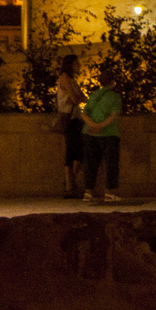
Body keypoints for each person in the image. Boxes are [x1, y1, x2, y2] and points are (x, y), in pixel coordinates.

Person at [82, 70, 122, 202]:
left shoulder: (93, 96)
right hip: (109, 134)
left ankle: (88, 192)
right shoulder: (115, 97)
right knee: (111, 163)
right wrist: (101, 126)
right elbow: (113, 116)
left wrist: (92, 125)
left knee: (90, 163)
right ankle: (110, 193)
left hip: (89, 133)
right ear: (113, 82)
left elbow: (84, 113)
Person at [57, 54, 87, 199]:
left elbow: (82, 97)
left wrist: (77, 97)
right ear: (70, 65)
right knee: (73, 152)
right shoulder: (65, 78)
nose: (79, 66)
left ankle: (70, 185)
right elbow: (76, 98)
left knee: (78, 152)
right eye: (76, 64)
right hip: (69, 119)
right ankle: (70, 186)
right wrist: (76, 97)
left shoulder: (72, 80)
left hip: (76, 118)